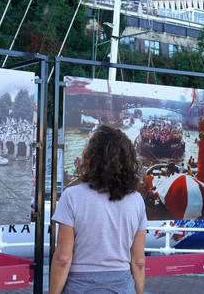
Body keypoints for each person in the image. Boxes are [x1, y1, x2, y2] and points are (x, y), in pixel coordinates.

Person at [50, 125, 146, 294]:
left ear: (90, 157)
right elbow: (138, 261)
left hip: (79, 287)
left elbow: (62, 258)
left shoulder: (72, 196)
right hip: (122, 286)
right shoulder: (136, 200)